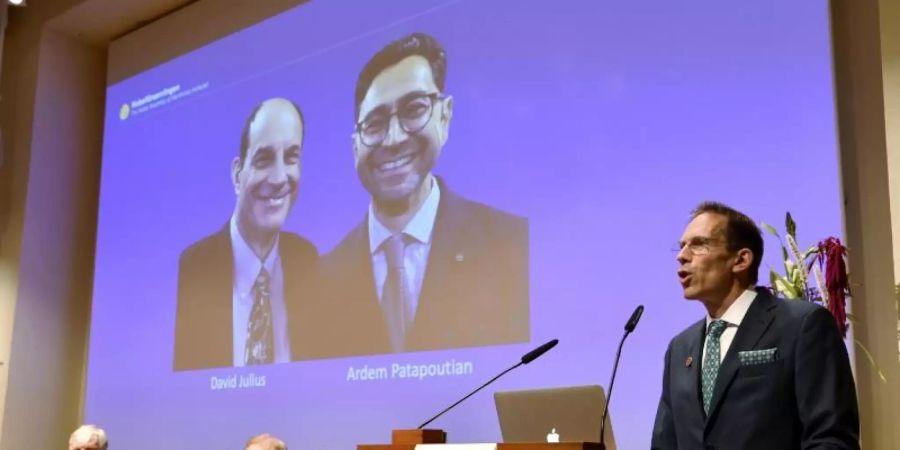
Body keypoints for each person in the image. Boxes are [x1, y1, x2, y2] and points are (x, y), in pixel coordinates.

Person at [319, 32, 529, 356]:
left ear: (445, 116)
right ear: (354, 146)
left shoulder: (512, 244)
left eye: (413, 109)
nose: (393, 138)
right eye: (373, 124)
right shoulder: (322, 277)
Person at [651, 201, 859, 449]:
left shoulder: (802, 325)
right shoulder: (679, 349)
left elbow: (831, 439)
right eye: (682, 245)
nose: (681, 255)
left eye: (698, 245)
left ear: (741, 260)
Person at [174, 98, 318, 371]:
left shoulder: (309, 261)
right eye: (264, 159)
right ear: (237, 174)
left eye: (291, 157)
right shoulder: (195, 267)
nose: (278, 178)